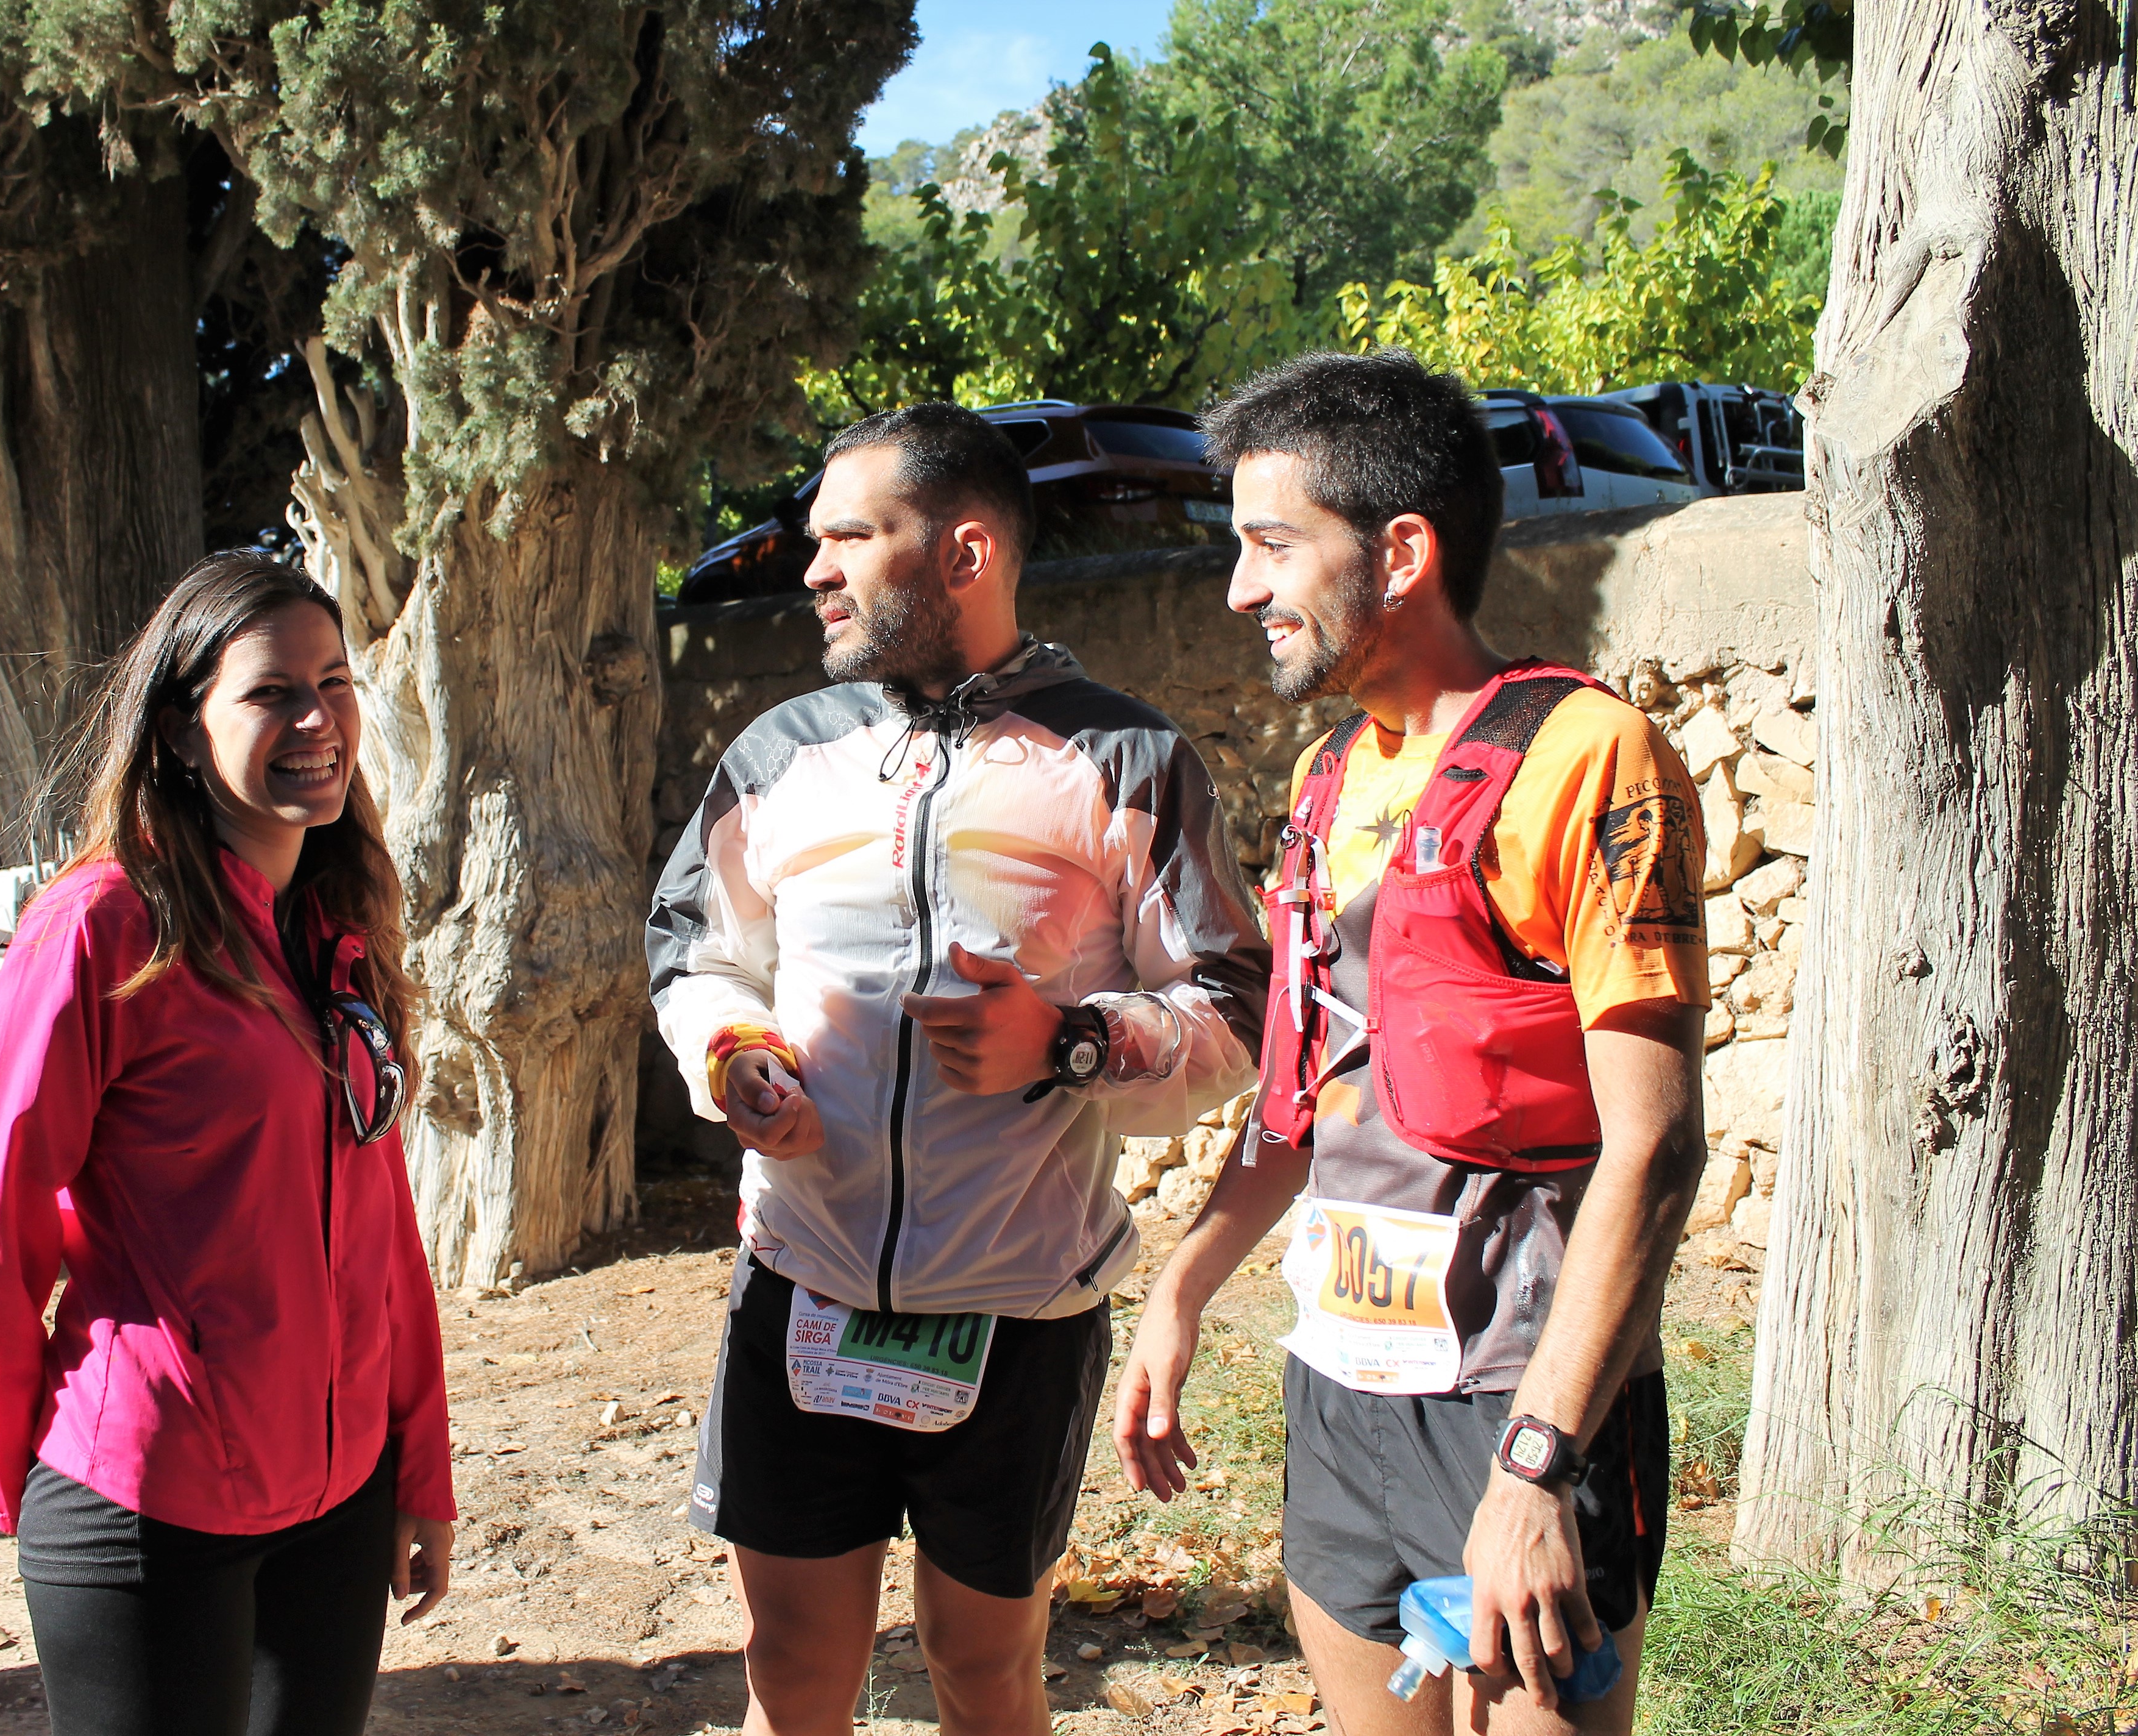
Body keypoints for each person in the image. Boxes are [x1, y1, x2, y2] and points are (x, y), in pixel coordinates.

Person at [648, 403, 1272, 1736]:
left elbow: (1237, 1007)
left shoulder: (1128, 759)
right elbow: (697, 956)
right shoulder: (779, 754)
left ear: (965, 552)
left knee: (984, 1672)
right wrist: (733, 1054)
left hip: (1020, 1311)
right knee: (790, 1669)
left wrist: (1073, 1040)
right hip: (802, 1287)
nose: (813, 567)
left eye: (848, 538)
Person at [1112, 349, 1710, 1734]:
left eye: (1272, 546)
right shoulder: (1330, 776)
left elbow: (1657, 1145)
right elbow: (1307, 1093)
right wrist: (1182, 1289)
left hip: (1517, 1405)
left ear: (1401, 554)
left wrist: (1539, 1465)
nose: (1239, 590)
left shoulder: (1587, 758)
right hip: (1340, 1393)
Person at [0, 552, 455, 1736]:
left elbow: (381, 1224)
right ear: (178, 727)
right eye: (272, 692)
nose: (319, 719)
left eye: (335, 681)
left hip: (340, 1497)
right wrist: (29, 1472)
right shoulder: (103, 925)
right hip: (145, 1498)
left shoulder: (337, 922)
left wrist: (417, 1462)